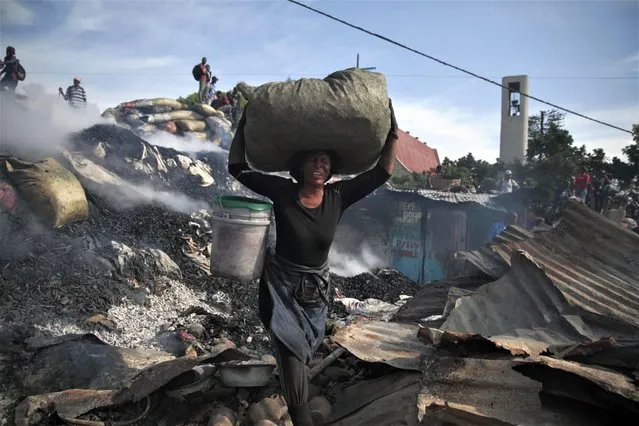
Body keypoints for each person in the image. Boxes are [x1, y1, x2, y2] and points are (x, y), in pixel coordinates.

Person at [228, 100, 398, 426]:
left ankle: (296, 401)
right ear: (301, 167)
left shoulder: (338, 196)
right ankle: (299, 414)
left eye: (325, 161)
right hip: (279, 290)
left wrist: (392, 134)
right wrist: (242, 126)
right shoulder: (281, 191)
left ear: (330, 169)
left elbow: (382, 172)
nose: (319, 165)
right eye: (313, 160)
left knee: (300, 358)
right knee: (292, 362)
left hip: (314, 295)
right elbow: (237, 167)